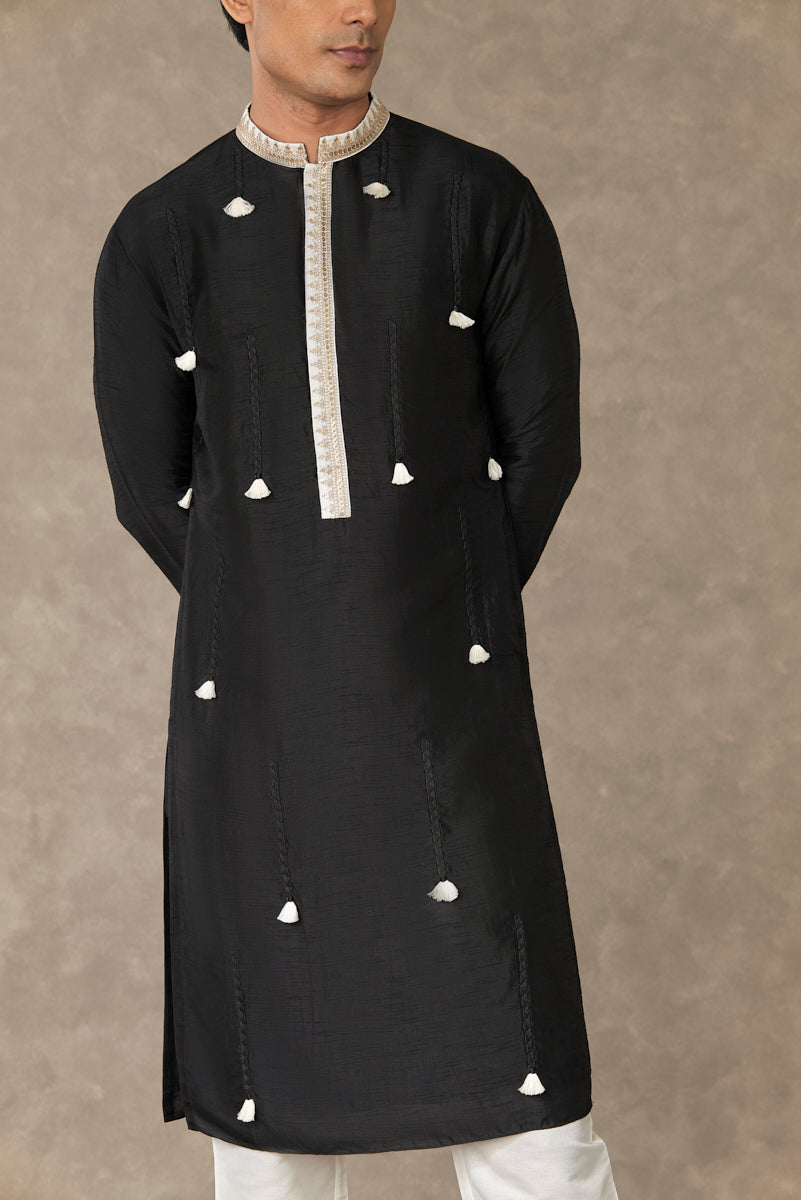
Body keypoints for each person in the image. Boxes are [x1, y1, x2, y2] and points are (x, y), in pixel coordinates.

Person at [91, 0, 620, 1195]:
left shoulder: (478, 201)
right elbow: (149, 493)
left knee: (535, 1128)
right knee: (270, 1147)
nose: (361, 9)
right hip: (261, 734)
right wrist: (281, 612)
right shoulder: (164, 232)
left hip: (449, 717)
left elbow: (544, 453)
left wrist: (432, 609)